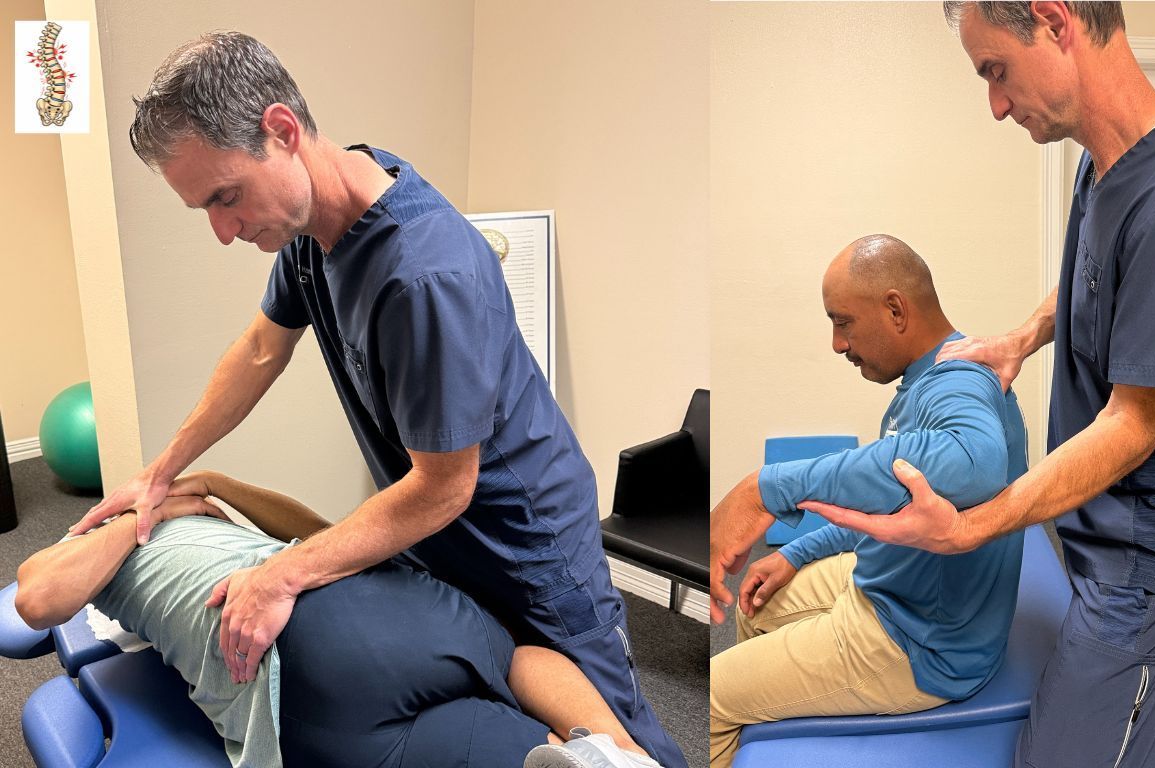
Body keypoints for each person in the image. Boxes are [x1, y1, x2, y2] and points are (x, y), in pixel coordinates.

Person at [68, 31, 683, 768]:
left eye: (226, 198)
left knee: (626, 744)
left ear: (283, 132)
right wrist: (160, 472)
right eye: (204, 209)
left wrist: (280, 574)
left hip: (531, 551)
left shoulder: (424, 275)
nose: (224, 231)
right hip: (442, 539)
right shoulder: (312, 229)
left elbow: (442, 489)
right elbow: (262, 349)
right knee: (503, 714)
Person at [801, 4, 1155, 767]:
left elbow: (1135, 424)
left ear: (1056, 21)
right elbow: (1098, 283)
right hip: (1106, 518)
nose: (996, 104)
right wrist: (1027, 335)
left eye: (996, 70)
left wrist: (974, 526)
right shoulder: (1104, 163)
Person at [19, 470, 662, 768]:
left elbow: (322, 535)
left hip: (311, 653)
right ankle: (618, 753)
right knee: (508, 659)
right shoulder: (94, 544)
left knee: (462, 726)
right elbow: (36, 594)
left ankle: (608, 755)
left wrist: (213, 485)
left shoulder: (203, 526)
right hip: (388, 614)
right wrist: (140, 518)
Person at [707, 235, 1029, 768]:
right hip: (890, 587)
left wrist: (766, 487)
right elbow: (887, 505)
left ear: (895, 309)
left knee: (715, 693)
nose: (837, 343)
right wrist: (796, 552)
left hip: (920, 644)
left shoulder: (958, 383)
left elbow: (978, 460)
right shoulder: (929, 375)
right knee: (755, 608)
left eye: (843, 322)